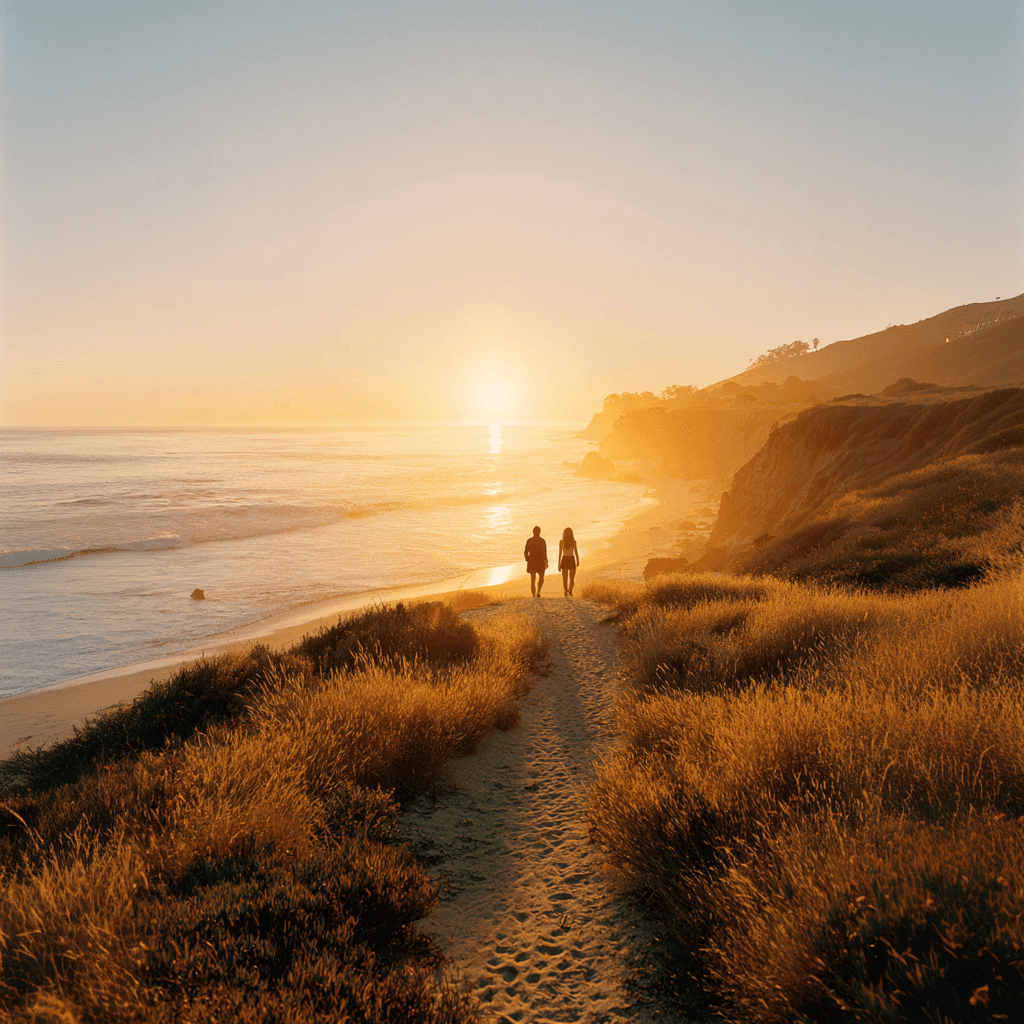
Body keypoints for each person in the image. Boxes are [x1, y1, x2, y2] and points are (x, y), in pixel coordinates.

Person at [524, 526, 547, 598]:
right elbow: (544, 552)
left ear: (533, 532)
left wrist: (527, 559)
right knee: (541, 577)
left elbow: (525, 552)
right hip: (540, 561)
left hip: (532, 561)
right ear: (540, 532)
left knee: (532, 580)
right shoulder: (542, 541)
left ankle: (534, 596)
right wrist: (546, 560)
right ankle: (538, 591)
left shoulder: (529, 541)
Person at [558, 527, 579, 597]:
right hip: (570, 559)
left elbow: (560, 553)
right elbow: (575, 552)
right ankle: (568, 591)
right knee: (570, 578)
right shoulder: (567, 541)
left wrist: (559, 563)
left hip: (566, 559)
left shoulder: (567, 541)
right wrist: (578, 560)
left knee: (567, 578)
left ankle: (567, 591)